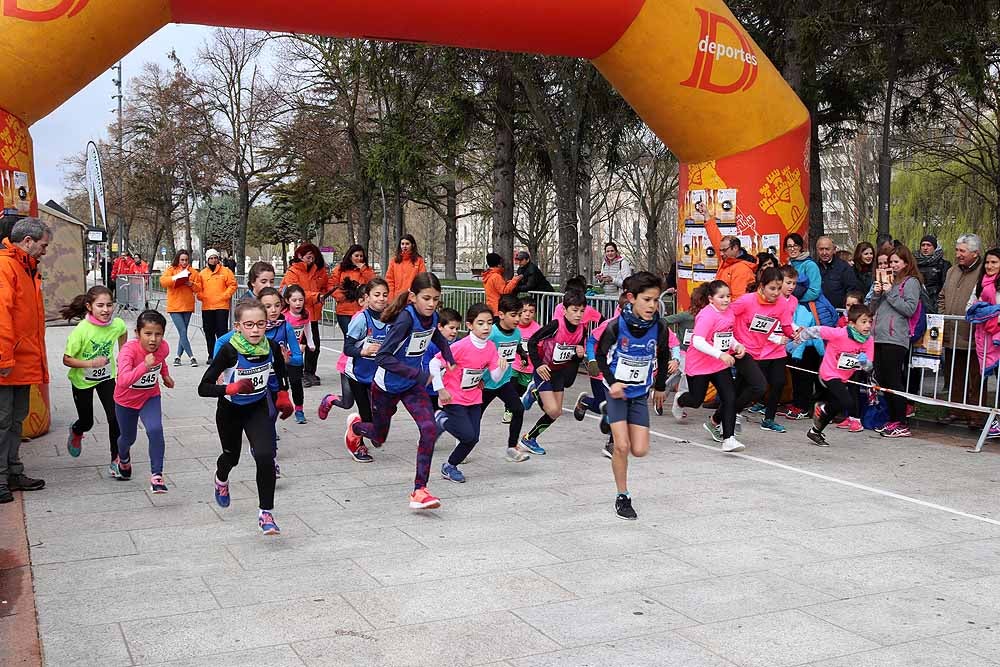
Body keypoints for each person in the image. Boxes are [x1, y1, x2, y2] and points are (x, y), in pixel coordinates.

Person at [345, 272, 455, 510]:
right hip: (386, 387)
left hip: (412, 386)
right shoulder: (405, 319)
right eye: (426, 298)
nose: (431, 304)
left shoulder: (432, 316)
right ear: (413, 297)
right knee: (379, 437)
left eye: (436, 299)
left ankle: (419, 490)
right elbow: (383, 357)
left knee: (428, 428)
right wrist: (418, 374)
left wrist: (447, 353)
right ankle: (355, 427)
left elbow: (434, 333)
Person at [199, 299, 292, 535]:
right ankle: (221, 479)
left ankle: (266, 513)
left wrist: (282, 393)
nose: (255, 330)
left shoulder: (270, 346)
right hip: (230, 411)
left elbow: (280, 369)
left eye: (260, 324)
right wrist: (229, 389)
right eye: (249, 324)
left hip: (257, 407)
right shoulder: (229, 351)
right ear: (238, 326)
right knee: (232, 457)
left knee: (265, 455)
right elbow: (203, 387)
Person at [594, 272, 671, 520]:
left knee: (640, 450)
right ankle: (623, 496)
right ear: (631, 298)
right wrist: (613, 382)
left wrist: (660, 386)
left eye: (656, 300)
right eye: (647, 300)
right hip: (617, 392)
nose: (652, 306)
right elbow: (599, 357)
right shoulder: (616, 327)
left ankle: (605, 416)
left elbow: (663, 355)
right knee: (622, 446)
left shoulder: (659, 326)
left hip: (639, 393)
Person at [0, 217, 50, 501]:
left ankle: (13, 471)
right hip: (7, 362)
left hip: (20, 360)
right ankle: (1, 477)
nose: (44, 251)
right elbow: (2, 317)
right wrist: (4, 358)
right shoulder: (7, 266)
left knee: (15, 420)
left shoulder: (26, 268)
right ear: (28, 241)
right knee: (2, 421)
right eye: (42, 245)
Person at [430, 303, 507, 483]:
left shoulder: (490, 348)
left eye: (489, 323)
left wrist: (502, 367)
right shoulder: (460, 346)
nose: (486, 327)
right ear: (470, 325)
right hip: (454, 396)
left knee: (473, 438)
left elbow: (495, 378)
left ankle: (450, 466)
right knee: (467, 435)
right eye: (480, 323)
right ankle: (442, 419)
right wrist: (440, 389)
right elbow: (434, 363)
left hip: (474, 397)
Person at [319, 279, 390, 462]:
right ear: (366, 297)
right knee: (362, 413)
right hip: (357, 375)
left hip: (378, 376)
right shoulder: (360, 319)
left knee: (384, 414)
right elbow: (347, 348)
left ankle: (368, 430)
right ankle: (356, 438)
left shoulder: (390, 318)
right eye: (376, 295)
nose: (381, 299)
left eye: (384, 294)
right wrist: (363, 351)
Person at [672, 279, 747, 452]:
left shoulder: (729, 313)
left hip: (719, 364)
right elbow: (697, 341)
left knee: (730, 397)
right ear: (711, 298)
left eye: (728, 296)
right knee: (696, 399)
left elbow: (727, 335)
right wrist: (720, 354)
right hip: (699, 364)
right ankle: (680, 399)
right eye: (721, 297)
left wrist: (736, 346)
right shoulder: (706, 315)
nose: (726, 300)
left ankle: (729, 438)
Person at [61, 286, 127, 461]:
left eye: (109, 305)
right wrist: (90, 363)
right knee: (87, 422)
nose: (105, 310)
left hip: (107, 377)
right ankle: (76, 431)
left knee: (115, 417)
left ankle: (117, 459)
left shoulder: (117, 324)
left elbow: (123, 332)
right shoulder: (81, 330)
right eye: (100, 305)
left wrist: (123, 355)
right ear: (89, 307)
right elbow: (67, 360)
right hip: (82, 380)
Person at [111, 310, 174, 492]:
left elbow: (161, 361)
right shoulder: (128, 351)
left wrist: (165, 376)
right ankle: (122, 458)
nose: (153, 339)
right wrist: (144, 366)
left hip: (150, 396)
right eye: (148, 334)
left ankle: (157, 476)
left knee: (155, 429)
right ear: (137, 333)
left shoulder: (164, 348)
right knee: (128, 438)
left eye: (158, 334)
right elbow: (122, 380)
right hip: (126, 401)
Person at [519, 289, 588, 455]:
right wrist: (538, 365)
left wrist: (579, 356)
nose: (578, 315)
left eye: (582, 311)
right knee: (551, 410)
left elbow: (571, 356)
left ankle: (529, 438)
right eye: (574, 310)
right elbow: (532, 342)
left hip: (558, 372)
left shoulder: (582, 330)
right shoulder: (556, 325)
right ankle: (535, 391)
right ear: (564, 310)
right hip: (544, 370)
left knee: (556, 412)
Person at [798, 304, 876, 446]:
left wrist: (865, 363)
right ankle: (822, 408)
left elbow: (868, 367)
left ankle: (815, 431)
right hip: (828, 373)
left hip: (845, 377)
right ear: (852, 323)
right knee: (847, 402)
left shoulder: (869, 341)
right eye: (863, 322)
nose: (867, 326)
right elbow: (816, 331)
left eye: (870, 322)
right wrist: (798, 338)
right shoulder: (839, 333)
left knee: (838, 405)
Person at [730, 267, 796, 433]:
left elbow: (786, 324)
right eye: (772, 288)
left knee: (779, 382)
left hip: (775, 349)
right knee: (746, 384)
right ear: (761, 286)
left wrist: (794, 334)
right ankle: (730, 412)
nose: (776, 293)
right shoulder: (747, 301)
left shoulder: (782, 302)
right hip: (748, 348)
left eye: (778, 288)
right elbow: (727, 313)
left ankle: (769, 419)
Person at [870, 245, 922, 438]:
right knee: (883, 379)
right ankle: (892, 419)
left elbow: (909, 308)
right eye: (890, 262)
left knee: (893, 379)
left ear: (906, 263)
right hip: (880, 335)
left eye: (896, 262)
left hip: (896, 337)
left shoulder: (911, 282)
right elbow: (872, 309)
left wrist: (891, 292)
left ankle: (901, 421)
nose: (892, 265)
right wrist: (877, 293)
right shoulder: (887, 281)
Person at [940, 233, 984, 427]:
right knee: (953, 374)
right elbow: (942, 296)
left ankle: (975, 415)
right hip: (951, 332)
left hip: (972, 334)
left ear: (975, 253)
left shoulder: (984, 272)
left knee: (975, 376)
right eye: (957, 250)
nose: (958, 254)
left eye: (962, 251)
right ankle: (955, 409)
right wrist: (944, 317)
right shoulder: (952, 271)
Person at [481, 294, 529, 462]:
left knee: (518, 409)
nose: (518, 318)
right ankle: (460, 439)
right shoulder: (491, 334)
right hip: (485, 384)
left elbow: (516, 346)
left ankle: (511, 446)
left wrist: (522, 354)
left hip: (503, 382)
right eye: (513, 315)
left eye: (520, 314)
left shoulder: (516, 333)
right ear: (501, 315)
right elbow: (477, 354)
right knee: (473, 418)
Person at [280, 243, 329, 387]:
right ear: (299, 256)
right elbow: (295, 292)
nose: (311, 259)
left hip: (312, 314)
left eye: (313, 256)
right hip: (296, 316)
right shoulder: (292, 272)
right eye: (308, 256)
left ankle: (310, 372)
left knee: (314, 346)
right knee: (297, 346)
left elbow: (326, 285)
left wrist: (324, 294)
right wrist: (315, 296)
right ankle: (296, 373)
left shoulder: (318, 271)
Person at [159, 249, 202, 367]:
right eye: (182, 260)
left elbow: (199, 288)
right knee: (182, 331)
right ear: (178, 259)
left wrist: (191, 284)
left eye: (186, 260)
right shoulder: (171, 270)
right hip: (175, 306)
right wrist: (175, 278)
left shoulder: (193, 272)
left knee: (183, 332)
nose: (184, 262)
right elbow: (163, 281)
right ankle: (191, 356)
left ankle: (177, 357)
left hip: (187, 306)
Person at [283, 284, 316, 424]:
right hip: (284, 354)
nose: (298, 303)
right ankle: (280, 408)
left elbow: (307, 327)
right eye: (294, 300)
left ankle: (299, 409)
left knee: (296, 383)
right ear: (287, 301)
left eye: (300, 300)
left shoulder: (305, 314)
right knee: (282, 385)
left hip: (296, 355)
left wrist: (309, 342)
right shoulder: (284, 316)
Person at [198, 248, 238, 363]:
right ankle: (211, 355)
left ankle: (222, 355)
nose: (213, 260)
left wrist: (225, 295)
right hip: (207, 307)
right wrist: (201, 296)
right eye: (211, 258)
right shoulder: (202, 274)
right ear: (207, 260)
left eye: (215, 258)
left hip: (222, 306)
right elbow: (198, 289)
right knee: (209, 332)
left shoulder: (226, 271)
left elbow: (232, 285)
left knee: (221, 332)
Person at [328, 244, 375, 337]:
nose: (359, 258)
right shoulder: (340, 269)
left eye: (361, 256)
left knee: (360, 338)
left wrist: (363, 269)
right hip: (344, 310)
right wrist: (341, 296)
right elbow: (331, 285)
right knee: (349, 337)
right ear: (350, 256)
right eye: (356, 256)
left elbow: (373, 282)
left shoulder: (367, 270)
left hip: (362, 310)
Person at [423, 308, 461, 412]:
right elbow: (427, 370)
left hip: (453, 391)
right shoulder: (430, 345)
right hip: (432, 392)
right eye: (451, 327)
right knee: (433, 423)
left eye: (457, 328)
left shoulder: (459, 343)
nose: (455, 331)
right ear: (440, 326)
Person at [815, 236, 858, 310]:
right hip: (819, 312)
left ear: (834, 250)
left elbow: (851, 291)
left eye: (827, 249)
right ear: (817, 250)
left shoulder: (844, 267)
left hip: (839, 312)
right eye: (821, 249)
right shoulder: (813, 268)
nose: (824, 252)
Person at [385, 234, 427, 300]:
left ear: (412, 245)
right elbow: (389, 280)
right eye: (402, 244)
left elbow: (422, 280)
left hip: (412, 298)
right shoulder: (394, 261)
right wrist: (391, 298)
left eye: (407, 244)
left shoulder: (419, 261)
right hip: (397, 298)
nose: (404, 246)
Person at [916, 235, 950, 306]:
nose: (925, 248)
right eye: (923, 245)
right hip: (917, 300)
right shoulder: (913, 263)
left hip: (935, 302)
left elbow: (946, 286)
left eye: (928, 245)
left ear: (934, 247)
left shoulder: (943, 265)